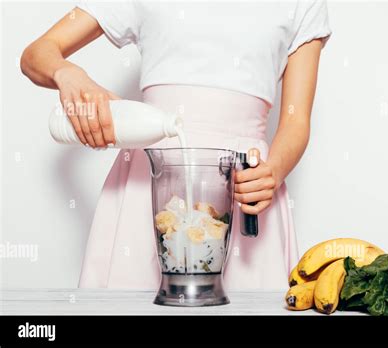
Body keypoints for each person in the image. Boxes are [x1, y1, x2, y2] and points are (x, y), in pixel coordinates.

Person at [21, 0, 331, 290]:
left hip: (245, 190)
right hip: (147, 182)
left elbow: (295, 122)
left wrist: (273, 171)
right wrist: (69, 73)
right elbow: (38, 52)